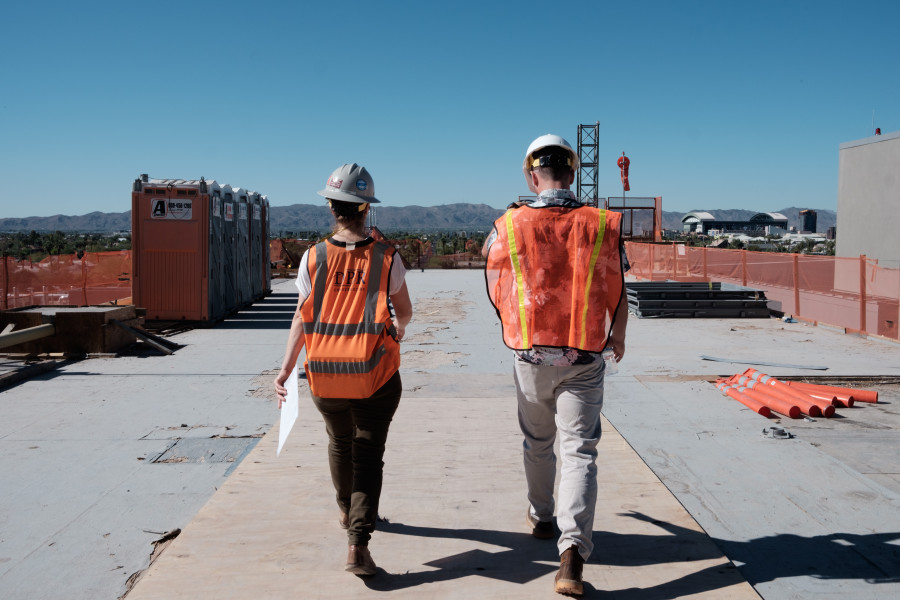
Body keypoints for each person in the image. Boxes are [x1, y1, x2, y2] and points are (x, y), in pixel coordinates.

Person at [483, 134, 628, 596]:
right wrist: (617, 334)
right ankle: (571, 559)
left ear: (532, 175)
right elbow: (618, 282)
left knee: (538, 442)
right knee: (580, 450)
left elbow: (493, 276)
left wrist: (515, 326)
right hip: (584, 353)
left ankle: (542, 516)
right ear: (573, 173)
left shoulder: (510, 223)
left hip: (530, 352)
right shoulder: (602, 223)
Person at [274, 163, 413, 577]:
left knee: (339, 442)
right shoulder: (387, 258)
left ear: (332, 207)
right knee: (368, 453)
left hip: (324, 373)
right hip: (375, 374)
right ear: (366, 208)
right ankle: (358, 544)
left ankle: (344, 510)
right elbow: (403, 313)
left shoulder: (313, 257)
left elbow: (301, 318)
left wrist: (284, 371)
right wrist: (397, 331)